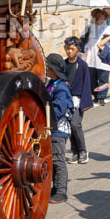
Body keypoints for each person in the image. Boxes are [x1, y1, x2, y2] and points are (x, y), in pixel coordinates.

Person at [45, 53, 73, 204]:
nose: (47, 70)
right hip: (51, 128)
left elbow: (59, 110)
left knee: (58, 160)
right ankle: (55, 188)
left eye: (48, 67)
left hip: (58, 129)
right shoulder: (51, 84)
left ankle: (61, 192)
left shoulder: (61, 87)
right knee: (53, 160)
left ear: (54, 70)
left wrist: (44, 113)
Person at [63, 36, 92, 164]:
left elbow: (87, 84)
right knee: (69, 126)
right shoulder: (63, 64)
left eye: (72, 49)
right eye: (67, 49)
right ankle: (75, 152)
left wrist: (84, 101)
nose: (69, 51)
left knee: (76, 124)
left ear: (78, 50)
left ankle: (83, 151)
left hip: (77, 99)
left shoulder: (83, 65)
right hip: (66, 99)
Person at [82, 8, 110, 106]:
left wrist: (109, 38)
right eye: (98, 18)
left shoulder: (108, 28)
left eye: (102, 18)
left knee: (103, 78)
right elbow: (82, 39)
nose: (101, 21)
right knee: (92, 78)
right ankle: (95, 95)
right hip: (91, 56)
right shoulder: (90, 28)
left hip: (103, 56)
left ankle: (101, 97)